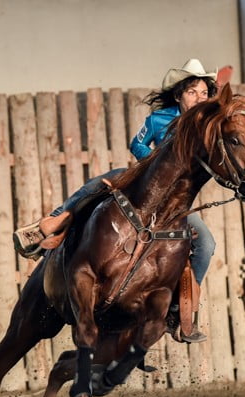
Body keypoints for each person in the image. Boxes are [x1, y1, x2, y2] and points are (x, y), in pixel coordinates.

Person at [13, 58, 220, 343]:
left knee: (206, 244)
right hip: (144, 185)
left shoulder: (207, 127)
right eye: (192, 92)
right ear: (178, 95)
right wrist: (152, 162)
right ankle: (50, 225)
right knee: (101, 182)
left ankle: (178, 309)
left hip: (174, 205)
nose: (199, 98)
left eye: (204, 93)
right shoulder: (159, 120)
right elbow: (137, 142)